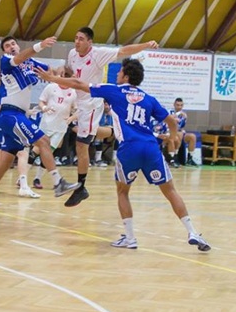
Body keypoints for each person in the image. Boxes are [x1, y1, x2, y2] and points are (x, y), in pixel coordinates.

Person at [37, 58, 211, 251]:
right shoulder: (148, 98)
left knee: (123, 192)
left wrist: (52, 78)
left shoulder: (114, 90)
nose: (117, 74)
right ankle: (192, 232)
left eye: (120, 72)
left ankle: (130, 238)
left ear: (126, 76)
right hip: (151, 147)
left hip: (129, 148)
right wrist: (171, 138)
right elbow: (171, 121)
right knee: (170, 191)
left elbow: (78, 83)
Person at [0, 35, 79, 208]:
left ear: (18, 45)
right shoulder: (6, 61)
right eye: (7, 46)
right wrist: (40, 45)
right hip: (10, 114)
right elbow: (22, 56)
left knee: (6, 160)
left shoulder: (30, 63)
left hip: (18, 114)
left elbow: (52, 71)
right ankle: (58, 182)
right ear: (4, 50)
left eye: (13, 44)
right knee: (43, 140)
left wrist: (61, 72)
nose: (11, 47)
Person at [63, 26, 159, 207]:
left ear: (89, 42)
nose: (77, 41)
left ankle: (81, 187)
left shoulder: (98, 54)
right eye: (76, 38)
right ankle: (114, 131)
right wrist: (64, 74)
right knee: (80, 135)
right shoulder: (72, 54)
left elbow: (124, 51)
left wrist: (146, 44)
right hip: (78, 100)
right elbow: (72, 71)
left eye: (81, 39)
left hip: (91, 102)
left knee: (81, 144)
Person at [31, 66, 78, 189]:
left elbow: (78, 110)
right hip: (46, 124)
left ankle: (37, 178)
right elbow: (41, 101)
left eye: (65, 76)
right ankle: (22, 177)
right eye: (62, 75)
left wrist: (71, 118)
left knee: (48, 153)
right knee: (36, 150)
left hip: (60, 127)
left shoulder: (73, 92)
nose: (62, 78)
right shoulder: (51, 87)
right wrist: (44, 108)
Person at [171, 98, 197, 167]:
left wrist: (182, 130)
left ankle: (190, 159)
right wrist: (177, 114)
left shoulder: (184, 115)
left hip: (179, 133)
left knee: (192, 136)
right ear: (174, 105)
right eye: (178, 105)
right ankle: (175, 157)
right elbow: (168, 120)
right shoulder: (170, 112)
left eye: (181, 105)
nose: (179, 107)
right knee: (179, 134)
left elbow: (181, 126)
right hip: (170, 133)